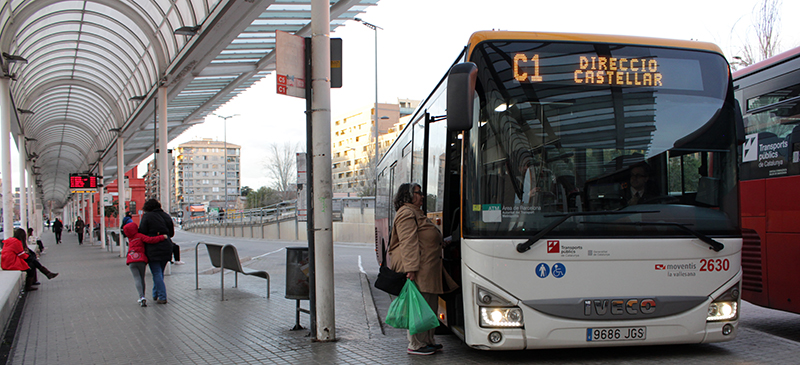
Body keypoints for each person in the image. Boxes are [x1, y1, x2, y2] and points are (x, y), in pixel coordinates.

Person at [388, 183, 458, 356]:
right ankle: (416, 344)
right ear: (409, 195)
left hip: (429, 268)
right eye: (419, 193)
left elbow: (424, 236)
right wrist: (410, 269)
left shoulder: (416, 213)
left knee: (429, 307)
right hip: (419, 270)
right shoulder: (406, 213)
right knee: (419, 307)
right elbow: (408, 242)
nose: (422, 196)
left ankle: (427, 341)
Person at [123, 221, 169, 307]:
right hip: (141, 260)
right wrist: (162, 237)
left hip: (131, 260)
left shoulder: (130, 239)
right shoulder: (139, 236)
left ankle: (142, 297)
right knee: (142, 278)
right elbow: (150, 240)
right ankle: (143, 296)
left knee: (136, 279)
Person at [138, 198, 175, 304]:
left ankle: (162, 296)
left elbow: (142, 232)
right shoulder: (166, 216)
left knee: (156, 272)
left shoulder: (147, 216)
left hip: (153, 247)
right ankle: (155, 294)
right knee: (159, 272)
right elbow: (171, 233)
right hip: (167, 246)